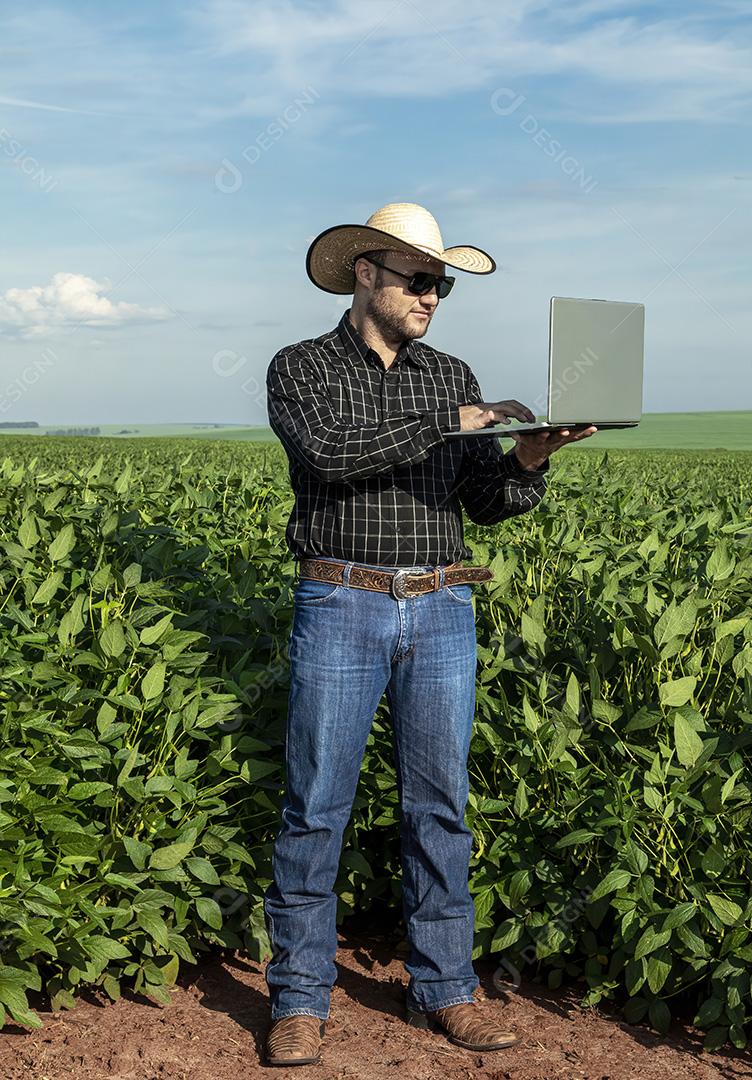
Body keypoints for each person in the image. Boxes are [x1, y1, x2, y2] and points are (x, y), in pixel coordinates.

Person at [262, 202, 596, 1067]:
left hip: (444, 604)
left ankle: (446, 989)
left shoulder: (451, 373)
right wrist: (457, 423)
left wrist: (528, 459)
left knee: (439, 809)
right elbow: (333, 455)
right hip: (343, 601)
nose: (433, 296)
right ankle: (299, 998)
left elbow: (481, 503)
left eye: (442, 284)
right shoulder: (302, 368)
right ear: (366, 272)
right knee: (315, 806)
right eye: (421, 279)